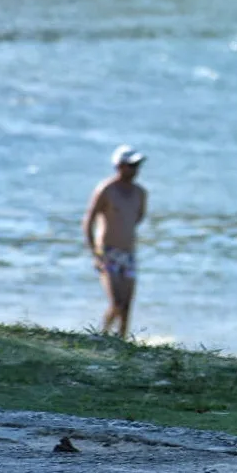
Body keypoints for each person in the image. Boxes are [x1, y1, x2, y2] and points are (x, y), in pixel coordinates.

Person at [83, 145, 148, 339]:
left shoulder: (140, 193)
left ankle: (122, 340)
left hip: (128, 253)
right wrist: (95, 252)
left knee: (127, 305)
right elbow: (89, 220)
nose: (136, 170)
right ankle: (103, 334)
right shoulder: (106, 189)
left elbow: (137, 218)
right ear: (119, 166)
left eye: (137, 165)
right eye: (132, 165)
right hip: (108, 252)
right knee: (117, 302)